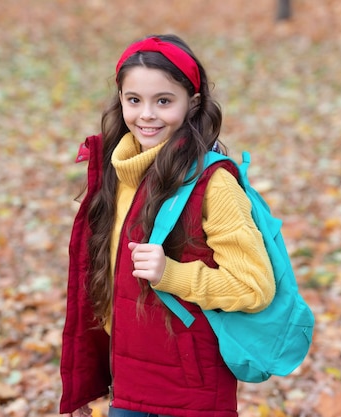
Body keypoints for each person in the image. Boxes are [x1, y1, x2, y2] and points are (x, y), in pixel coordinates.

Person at [59, 34, 275, 417]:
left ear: (192, 104)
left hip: (190, 392)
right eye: (134, 100)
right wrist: (91, 375)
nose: (147, 115)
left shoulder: (214, 184)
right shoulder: (118, 172)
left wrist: (171, 274)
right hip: (127, 382)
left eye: (163, 101)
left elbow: (254, 286)